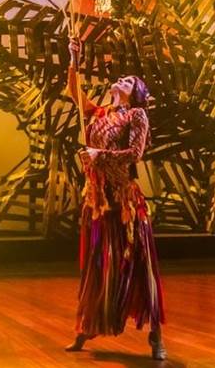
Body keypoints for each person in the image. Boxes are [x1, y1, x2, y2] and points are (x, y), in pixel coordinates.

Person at [63, 36, 165, 359]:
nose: (121, 80)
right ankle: (86, 326)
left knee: (138, 265)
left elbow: (135, 154)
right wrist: (74, 59)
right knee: (97, 265)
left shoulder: (136, 115)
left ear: (135, 93)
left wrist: (100, 155)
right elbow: (74, 92)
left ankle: (156, 337)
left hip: (124, 203)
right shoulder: (100, 113)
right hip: (98, 201)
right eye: (121, 78)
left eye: (128, 81)